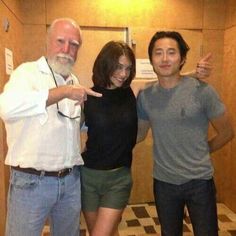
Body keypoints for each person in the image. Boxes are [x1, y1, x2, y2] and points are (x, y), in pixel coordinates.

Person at [80, 40, 213, 236]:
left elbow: (167, 80)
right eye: (118, 67)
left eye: (127, 68)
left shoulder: (132, 91)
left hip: (119, 178)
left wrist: (196, 73)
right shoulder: (86, 96)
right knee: (102, 232)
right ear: (105, 64)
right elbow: (74, 133)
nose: (123, 73)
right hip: (87, 176)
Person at [0, 18, 102, 236]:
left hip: (70, 181)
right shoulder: (26, 73)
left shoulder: (72, 79)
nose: (66, 49)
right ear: (47, 43)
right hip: (31, 183)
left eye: (74, 44)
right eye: (60, 41)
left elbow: (68, 124)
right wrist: (62, 93)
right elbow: (6, 108)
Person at [137, 31, 234, 236]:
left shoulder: (202, 91)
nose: (164, 59)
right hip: (164, 183)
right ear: (151, 59)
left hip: (199, 182)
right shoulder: (146, 96)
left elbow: (227, 132)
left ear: (181, 59)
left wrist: (203, 150)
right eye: (158, 53)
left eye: (171, 52)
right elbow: (139, 135)